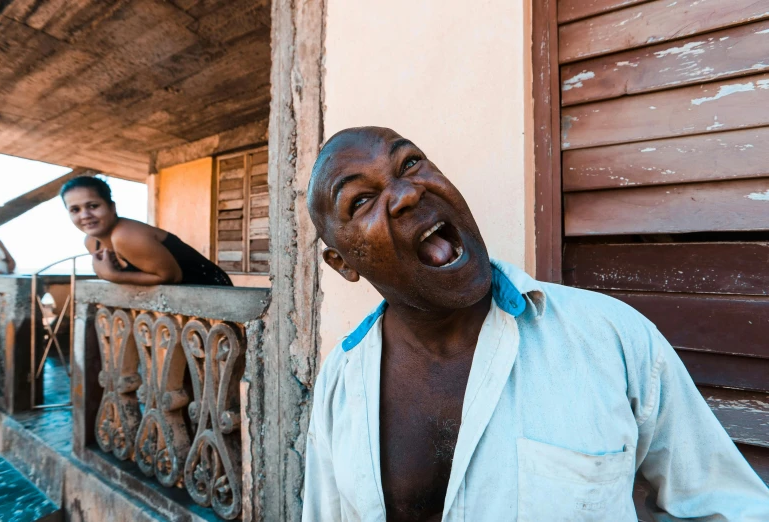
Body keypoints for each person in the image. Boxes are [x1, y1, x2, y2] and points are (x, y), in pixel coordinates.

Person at [302, 127, 769, 521]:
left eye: (409, 164)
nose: (406, 193)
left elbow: (728, 505)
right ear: (342, 262)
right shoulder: (341, 384)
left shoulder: (610, 337)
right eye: (361, 200)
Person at [60, 176, 232, 286]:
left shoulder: (125, 235)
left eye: (93, 206)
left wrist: (113, 276)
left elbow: (172, 277)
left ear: (112, 207)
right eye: (75, 210)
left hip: (213, 289)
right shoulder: (91, 242)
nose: (85, 215)